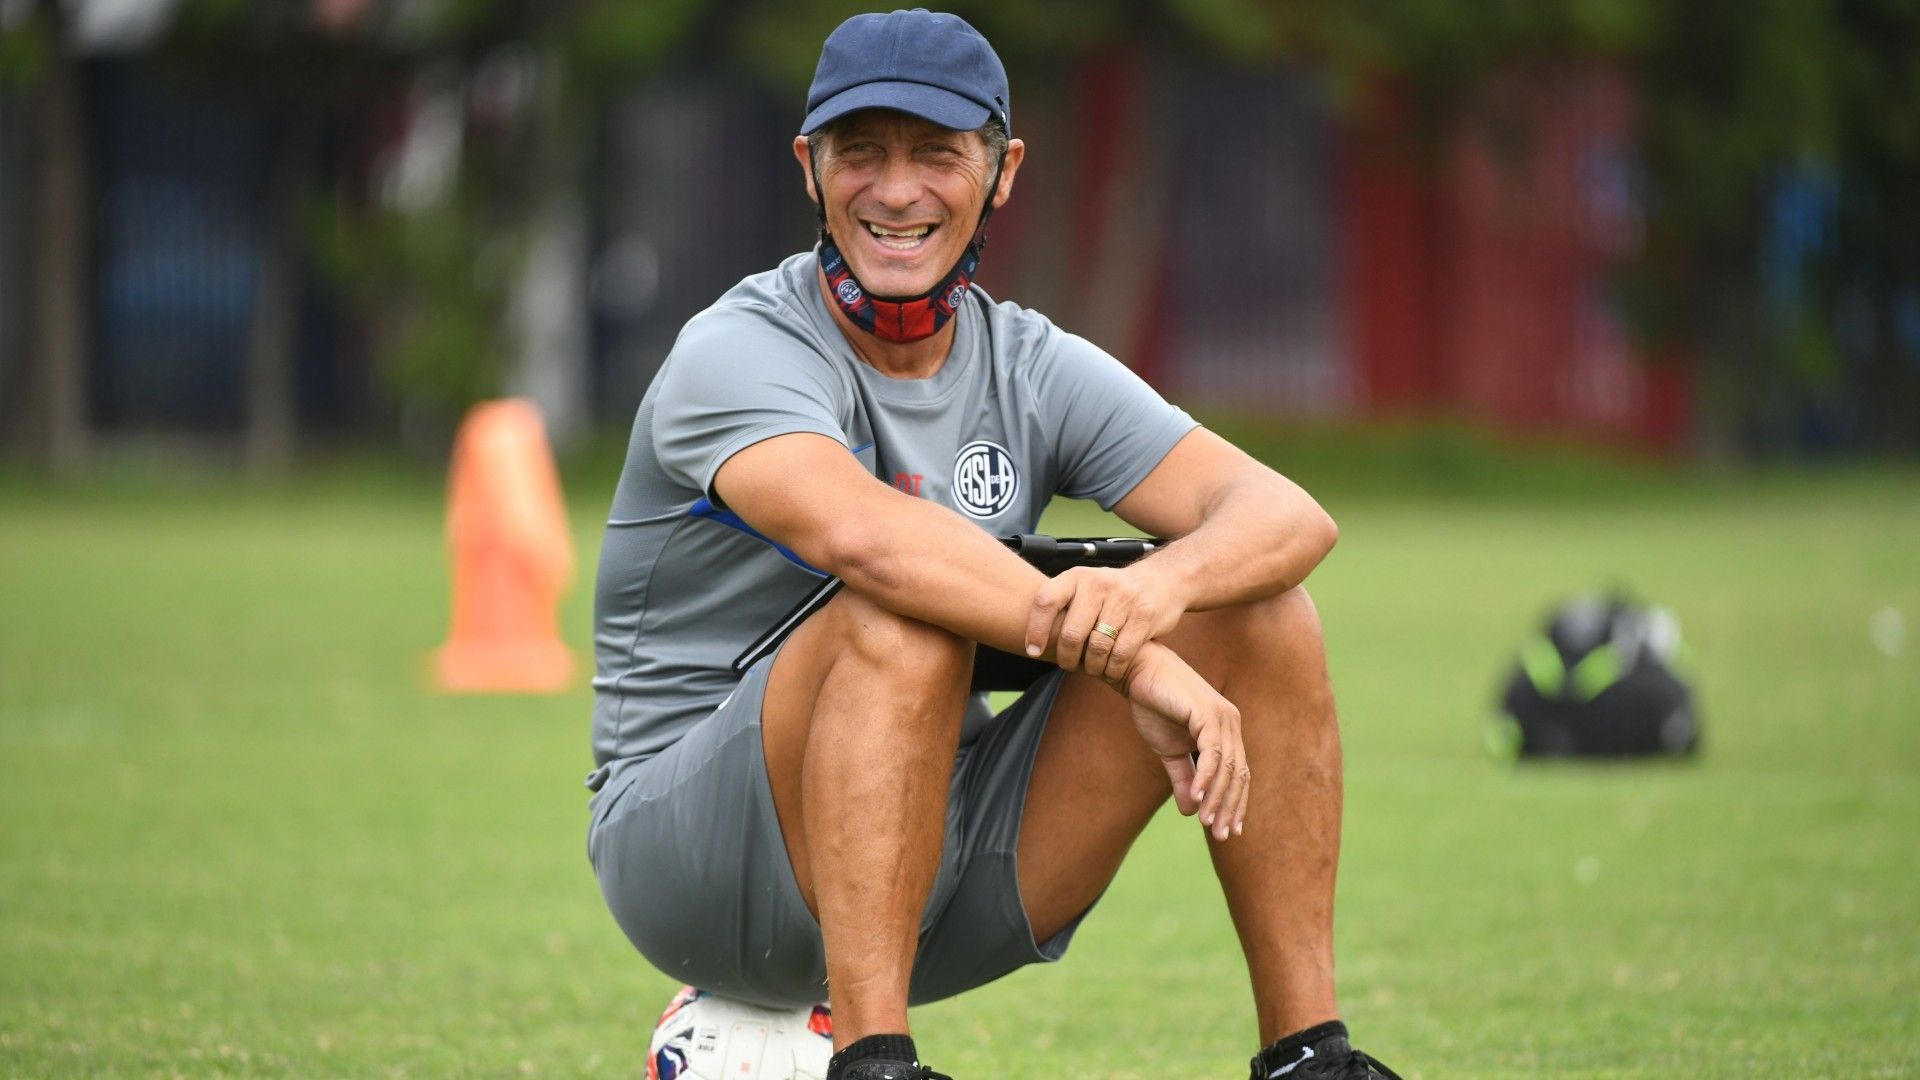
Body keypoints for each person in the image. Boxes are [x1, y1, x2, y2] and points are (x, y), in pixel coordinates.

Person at [585, 10, 1400, 1080]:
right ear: (809, 165)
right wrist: (1136, 660)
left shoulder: (1029, 362)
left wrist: (1157, 596)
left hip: (930, 853)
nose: (895, 189)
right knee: (900, 615)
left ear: (1003, 170)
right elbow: (866, 538)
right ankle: (875, 1060)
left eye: (936, 152)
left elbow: (1288, 516)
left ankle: (1310, 1060)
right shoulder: (735, 350)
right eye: (861, 151)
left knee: (1260, 611)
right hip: (692, 863)